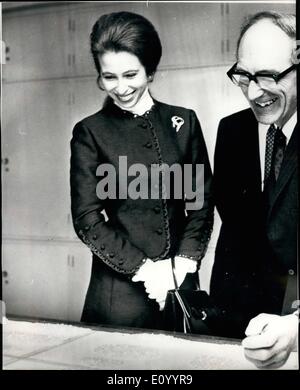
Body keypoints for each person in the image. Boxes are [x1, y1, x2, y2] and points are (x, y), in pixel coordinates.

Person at [70, 11, 213, 330]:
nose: (120, 88)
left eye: (130, 74)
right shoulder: (90, 132)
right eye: (109, 77)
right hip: (119, 295)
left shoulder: (184, 123)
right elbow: (87, 220)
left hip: (181, 284)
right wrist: (147, 271)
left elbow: (200, 204)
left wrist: (182, 264)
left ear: (151, 71)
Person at [210, 11, 298, 369]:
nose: (253, 91)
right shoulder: (229, 131)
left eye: (268, 76)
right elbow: (233, 232)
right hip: (236, 327)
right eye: (244, 75)